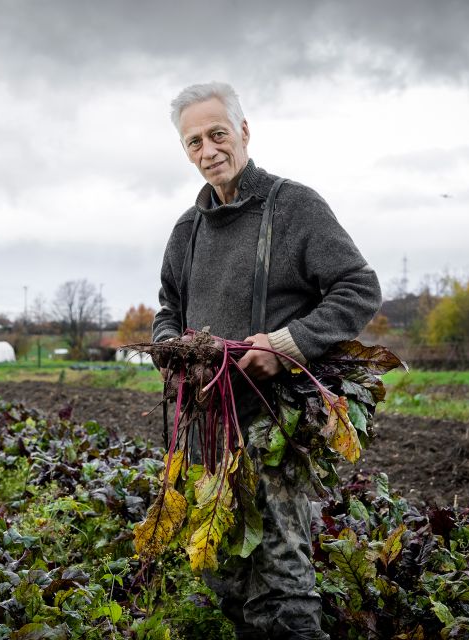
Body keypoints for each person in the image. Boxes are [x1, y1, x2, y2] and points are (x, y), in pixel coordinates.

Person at [152, 82, 382, 640]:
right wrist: (172, 351)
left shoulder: (295, 207)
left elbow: (358, 288)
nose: (208, 151)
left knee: (281, 575)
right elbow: (168, 309)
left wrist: (286, 345)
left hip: (275, 422)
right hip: (208, 427)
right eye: (193, 142)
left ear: (244, 131)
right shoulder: (187, 229)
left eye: (217, 134)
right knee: (225, 572)